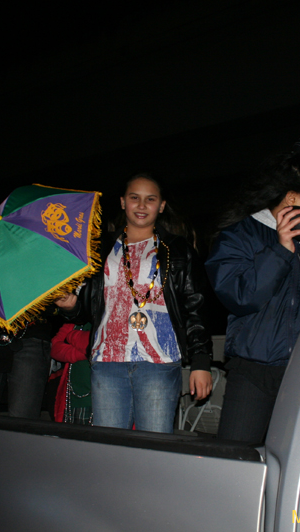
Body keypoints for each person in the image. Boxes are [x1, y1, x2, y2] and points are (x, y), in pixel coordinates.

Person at [205, 152, 300, 444]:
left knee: (296, 466)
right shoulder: (239, 235)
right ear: (290, 197)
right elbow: (241, 297)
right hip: (253, 371)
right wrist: (281, 248)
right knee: (239, 460)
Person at [56, 174, 213, 433]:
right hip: (108, 360)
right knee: (109, 448)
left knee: (153, 447)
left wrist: (201, 361)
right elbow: (88, 308)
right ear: (122, 202)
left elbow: (195, 306)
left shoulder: (178, 249)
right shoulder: (98, 249)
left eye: (150, 199)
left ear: (161, 206)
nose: (141, 205)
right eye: (134, 198)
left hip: (159, 362)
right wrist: (70, 306)